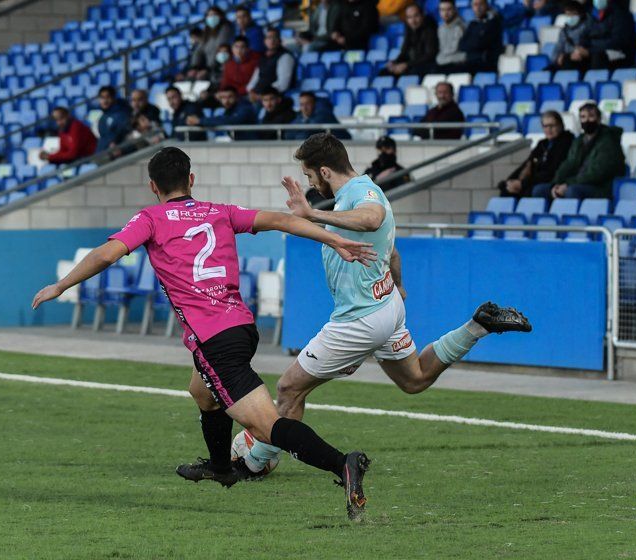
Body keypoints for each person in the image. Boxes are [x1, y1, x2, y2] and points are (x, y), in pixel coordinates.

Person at [30, 146, 376, 521]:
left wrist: (62, 285)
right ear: (191, 180)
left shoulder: (150, 218)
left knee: (266, 425)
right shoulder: (220, 212)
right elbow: (280, 220)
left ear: (152, 186)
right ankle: (221, 467)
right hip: (241, 327)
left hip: (214, 340)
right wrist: (334, 238)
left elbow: (107, 254)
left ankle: (343, 463)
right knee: (200, 390)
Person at [239, 133, 531, 479]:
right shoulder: (359, 192)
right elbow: (391, 250)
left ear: (325, 171)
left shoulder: (360, 195)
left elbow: (372, 219)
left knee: (290, 387)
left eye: (310, 176)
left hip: (360, 319)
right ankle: (478, 326)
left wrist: (313, 214)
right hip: (386, 306)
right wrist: (400, 284)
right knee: (415, 379)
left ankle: (255, 462)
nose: (310, 183)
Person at [531, 103, 626, 200]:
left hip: (601, 187)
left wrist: (567, 184)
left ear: (599, 119)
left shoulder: (609, 142)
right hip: (577, 183)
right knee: (539, 190)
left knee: (572, 191)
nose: (587, 120)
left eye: (591, 116)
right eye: (583, 117)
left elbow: (596, 174)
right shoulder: (579, 141)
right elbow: (569, 164)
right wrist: (556, 184)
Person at [497, 111, 574, 198]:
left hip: (551, 181)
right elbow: (527, 163)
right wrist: (509, 181)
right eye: (545, 126)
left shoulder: (567, 142)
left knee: (530, 191)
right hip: (533, 181)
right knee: (507, 190)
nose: (549, 129)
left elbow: (552, 171)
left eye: (552, 126)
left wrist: (522, 184)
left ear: (561, 125)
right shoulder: (542, 144)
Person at [577, 0, 636, 70]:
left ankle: (598, 80)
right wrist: (581, 48)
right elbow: (584, 36)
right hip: (595, 50)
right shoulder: (593, 15)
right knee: (570, 58)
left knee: (598, 56)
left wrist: (590, 50)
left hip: (620, 52)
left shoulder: (621, 14)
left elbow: (616, 41)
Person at [382, 4, 438, 77]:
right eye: (409, 17)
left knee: (412, 72)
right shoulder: (409, 28)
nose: (413, 21)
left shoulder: (430, 28)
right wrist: (394, 62)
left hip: (425, 65)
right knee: (384, 72)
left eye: (416, 16)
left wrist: (407, 65)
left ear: (422, 15)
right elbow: (404, 52)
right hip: (411, 64)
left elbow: (430, 55)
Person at [185, 86, 259, 141]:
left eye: (230, 97)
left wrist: (200, 121)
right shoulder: (229, 109)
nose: (226, 101)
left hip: (255, 145)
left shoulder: (245, 107)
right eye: (223, 97)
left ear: (237, 97)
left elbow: (231, 120)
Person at [247, 29, 296, 102]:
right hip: (257, 95)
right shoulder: (263, 57)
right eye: (269, 37)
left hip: (272, 98)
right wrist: (250, 90)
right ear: (265, 41)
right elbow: (255, 78)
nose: (272, 40)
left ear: (280, 40)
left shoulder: (285, 57)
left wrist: (263, 95)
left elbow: (283, 84)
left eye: (275, 37)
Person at [185, 7, 234, 80]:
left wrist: (207, 69)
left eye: (214, 15)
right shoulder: (207, 32)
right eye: (210, 15)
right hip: (209, 67)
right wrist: (194, 67)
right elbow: (198, 51)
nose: (212, 17)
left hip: (219, 68)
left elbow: (220, 48)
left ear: (221, 16)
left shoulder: (225, 28)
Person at [455, 0, 503, 74]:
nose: (478, 8)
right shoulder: (472, 24)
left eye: (481, 4)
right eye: (475, 5)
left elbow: (481, 43)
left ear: (486, 5)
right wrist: (475, 42)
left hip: (487, 64)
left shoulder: (494, 22)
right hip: (471, 63)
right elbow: (462, 45)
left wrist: (472, 43)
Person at [284, 91, 350, 140]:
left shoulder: (324, 114)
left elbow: (308, 133)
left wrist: (297, 134)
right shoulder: (300, 116)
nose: (304, 108)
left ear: (314, 104)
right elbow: (288, 134)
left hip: (344, 145)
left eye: (307, 104)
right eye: (302, 104)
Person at [548, 1, 591, 73]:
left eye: (573, 14)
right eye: (568, 15)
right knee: (546, 71)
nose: (570, 17)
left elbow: (588, 46)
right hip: (565, 60)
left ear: (580, 15)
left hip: (581, 60)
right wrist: (557, 58)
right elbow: (557, 48)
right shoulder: (564, 31)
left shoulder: (586, 28)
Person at [96, 86, 132, 153]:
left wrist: (113, 142)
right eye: (102, 97)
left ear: (114, 98)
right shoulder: (103, 117)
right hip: (104, 155)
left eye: (108, 97)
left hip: (118, 153)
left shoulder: (122, 113)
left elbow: (122, 132)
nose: (105, 101)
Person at [435, 0, 467, 72]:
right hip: (442, 63)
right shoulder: (440, 28)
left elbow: (456, 52)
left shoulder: (462, 27)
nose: (445, 13)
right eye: (442, 10)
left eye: (448, 9)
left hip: (457, 65)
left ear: (455, 10)